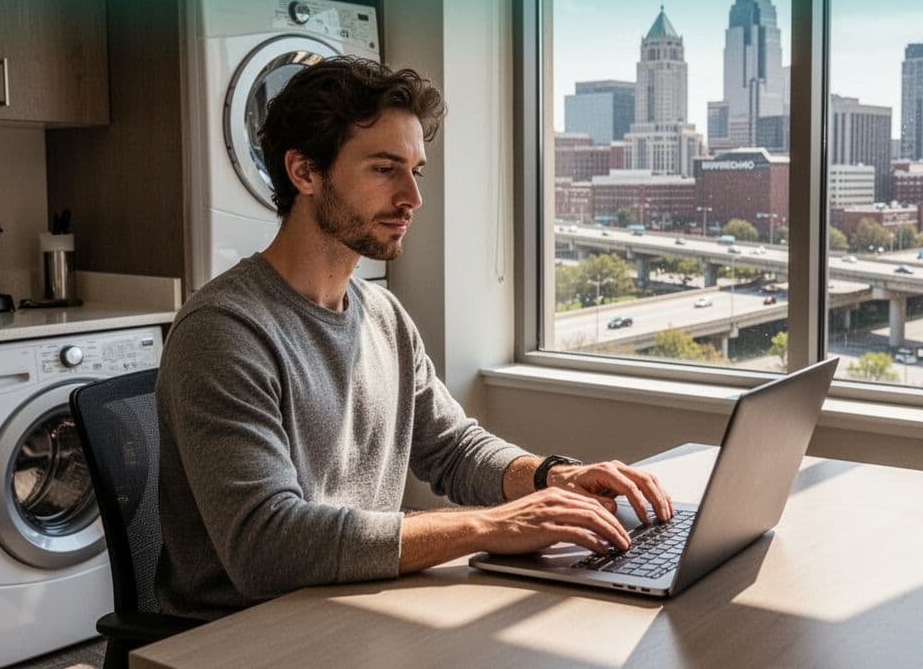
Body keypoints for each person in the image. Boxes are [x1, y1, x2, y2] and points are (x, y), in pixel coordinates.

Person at [155, 56, 673, 619]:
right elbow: (268, 545)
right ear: (304, 172)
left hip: (354, 610)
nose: (412, 198)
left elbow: (453, 449)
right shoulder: (224, 332)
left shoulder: (383, 315)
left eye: (415, 171)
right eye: (384, 169)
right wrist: (489, 526)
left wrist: (554, 476)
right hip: (242, 637)